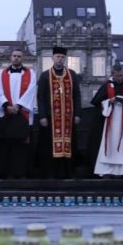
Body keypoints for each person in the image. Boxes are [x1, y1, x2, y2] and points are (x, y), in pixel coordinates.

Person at [37, 46, 82, 178]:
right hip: (51, 118)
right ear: (52, 58)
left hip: (68, 118)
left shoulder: (72, 74)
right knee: (50, 146)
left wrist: (78, 114)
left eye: (62, 57)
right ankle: (51, 174)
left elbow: (77, 95)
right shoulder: (45, 76)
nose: (60, 59)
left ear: (65, 59)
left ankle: (68, 173)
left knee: (69, 145)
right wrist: (42, 116)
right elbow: (41, 97)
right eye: (57, 57)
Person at [0, 48, 36, 179]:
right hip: (7, 114)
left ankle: (21, 173)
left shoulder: (31, 73)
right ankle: (6, 173)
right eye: (14, 56)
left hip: (22, 113)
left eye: (19, 56)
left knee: (22, 146)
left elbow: (31, 90)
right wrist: (6, 105)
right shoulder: (2, 73)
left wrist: (19, 105)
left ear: (23, 58)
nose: (16, 58)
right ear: (10, 57)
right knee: (6, 144)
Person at [90, 63, 123, 178]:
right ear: (113, 74)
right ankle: (107, 171)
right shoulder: (107, 85)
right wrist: (109, 101)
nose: (119, 78)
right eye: (117, 76)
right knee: (109, 146)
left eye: (121, 75)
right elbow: (96, 101)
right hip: (110, 122)